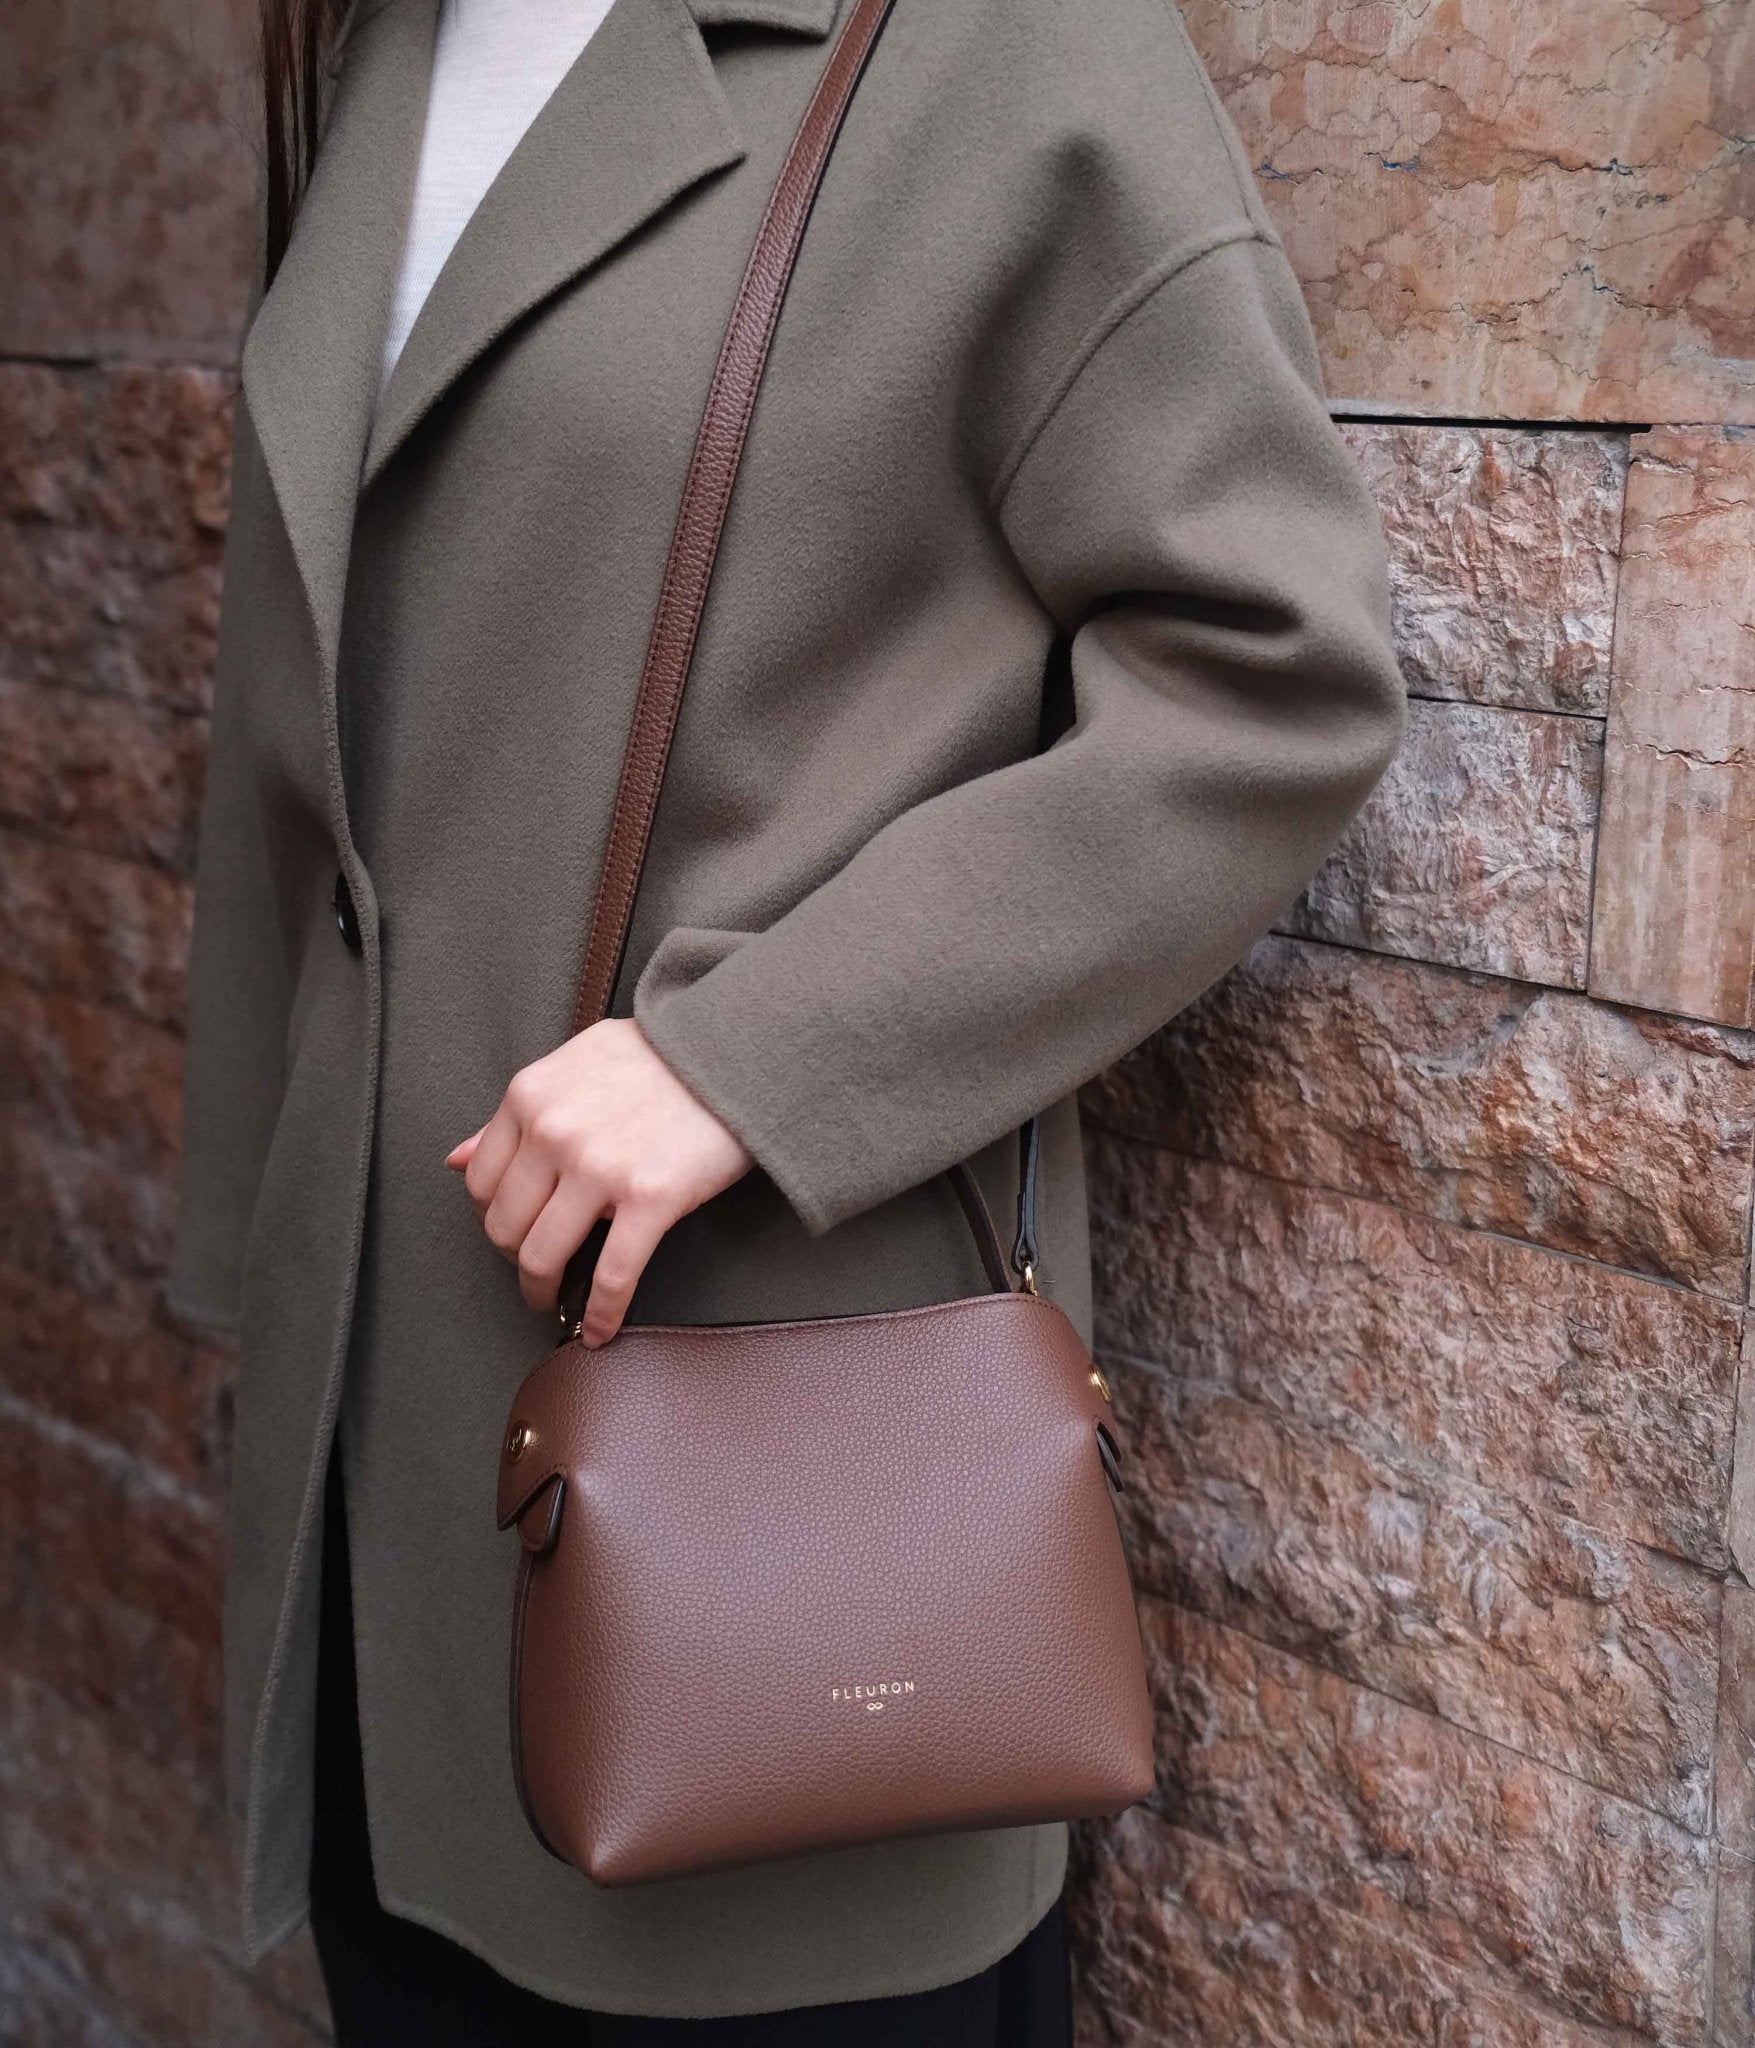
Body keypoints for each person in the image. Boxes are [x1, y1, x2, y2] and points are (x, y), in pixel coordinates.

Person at [167, 0, 1407, 2035]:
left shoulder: (997, 53)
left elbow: (1267, 672)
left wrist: (759, 1058)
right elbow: (316, 716)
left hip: (771, 1504)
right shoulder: (386, 54)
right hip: (384, 1487)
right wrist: (256, 1237)